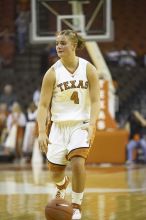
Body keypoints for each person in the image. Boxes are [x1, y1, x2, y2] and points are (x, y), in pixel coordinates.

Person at [37, 29, 100, 220]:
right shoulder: (52, 73)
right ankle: (62, 185)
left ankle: (76, 206)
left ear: (73, 45)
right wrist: (41, 131)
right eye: (57, 43)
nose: (58, 46)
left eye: (63, 43)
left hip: (80, 124)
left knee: (78, 163)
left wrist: (92, 124)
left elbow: (96, 101)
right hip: (57, 126)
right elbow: (43, 105)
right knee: (55, 173)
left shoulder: (89, 69)